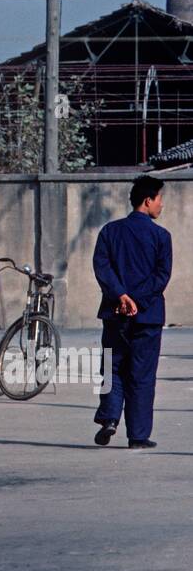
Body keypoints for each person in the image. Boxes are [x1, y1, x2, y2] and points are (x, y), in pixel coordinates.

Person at [92, 175, 172, 449]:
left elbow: (102, 268)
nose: (162, 205)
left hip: (115, 314)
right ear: (148, 200)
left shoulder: (110, 232)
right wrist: (136, 299)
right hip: (147, 316)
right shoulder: (161, 236)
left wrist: (121, 296)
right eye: (160, 199)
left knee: (111, 368)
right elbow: (161, 276)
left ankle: (109, 418)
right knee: (142, 375)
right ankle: (138, 435)